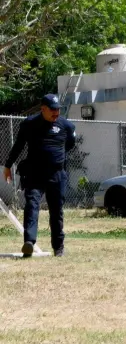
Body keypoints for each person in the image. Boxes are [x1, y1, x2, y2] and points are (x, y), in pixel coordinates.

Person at [3, 94, 76, 258]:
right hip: (34, 174)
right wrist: (8, 165)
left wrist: (57, 157)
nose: (56, 113)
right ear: (43, 109)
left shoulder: (66, 126)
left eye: (58, 109)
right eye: (52, 110)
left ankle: (59, 248)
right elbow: (18, 146)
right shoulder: (29, 124)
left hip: (57, 175)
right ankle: (29, 242)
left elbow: (70, 144)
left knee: (56, 211)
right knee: (32, 206)